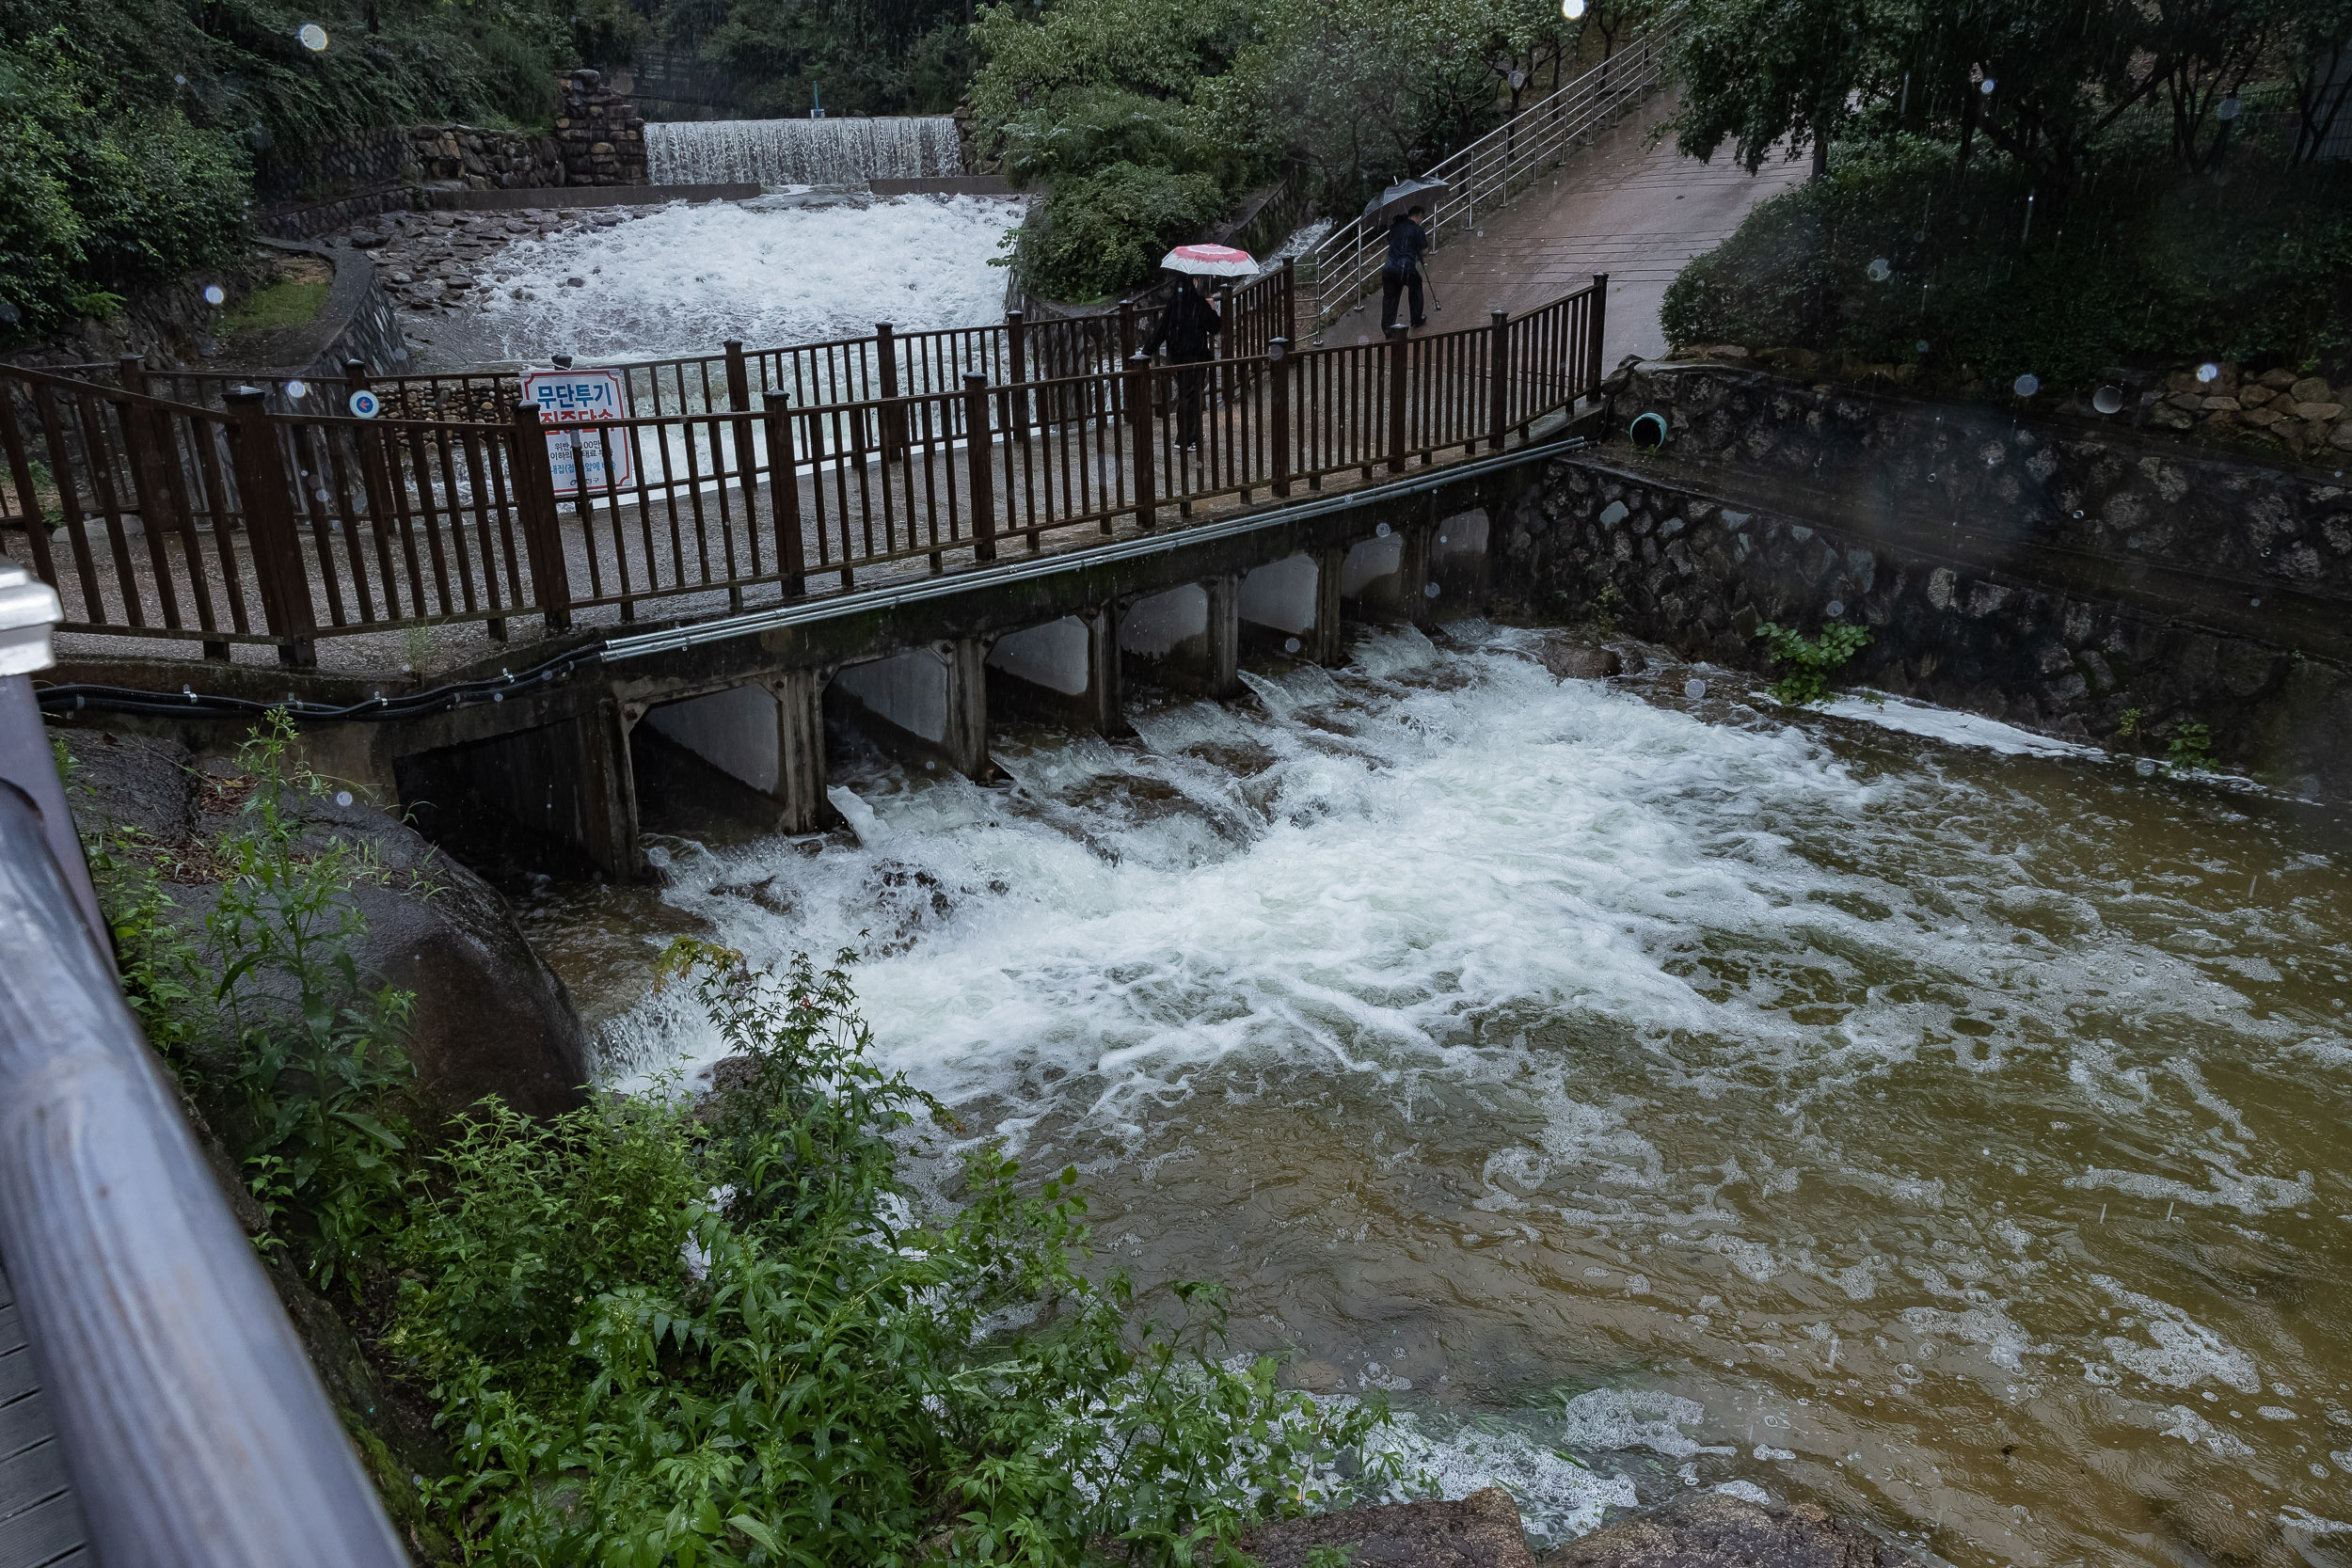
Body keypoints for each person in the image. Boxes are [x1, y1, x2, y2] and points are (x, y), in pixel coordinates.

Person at [1144, 273, 1222, 451]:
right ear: (1192, 282)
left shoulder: (1174, 303)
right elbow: (1215, 327)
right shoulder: (1197, 303)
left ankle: (1191, 432)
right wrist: (1212, 309)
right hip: (1196, 355)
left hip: (1178, 356)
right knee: (1190, 396)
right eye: (1195, 280)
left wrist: (1147, 352)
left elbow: (1161, 329)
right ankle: (1184, 438)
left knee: (1188, 395)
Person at [1381, 203, 1430, 331]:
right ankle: (1416, 320)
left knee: (1390, 298)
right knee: (1416, 289)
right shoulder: (1417, 230)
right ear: (1419, 215)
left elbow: (1390, 241)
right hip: (1406, 269)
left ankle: (1387, 328)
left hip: (1390, 268)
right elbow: (1424, 251)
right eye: (1422, 218)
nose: (1421, 221)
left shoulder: (1395, 227)